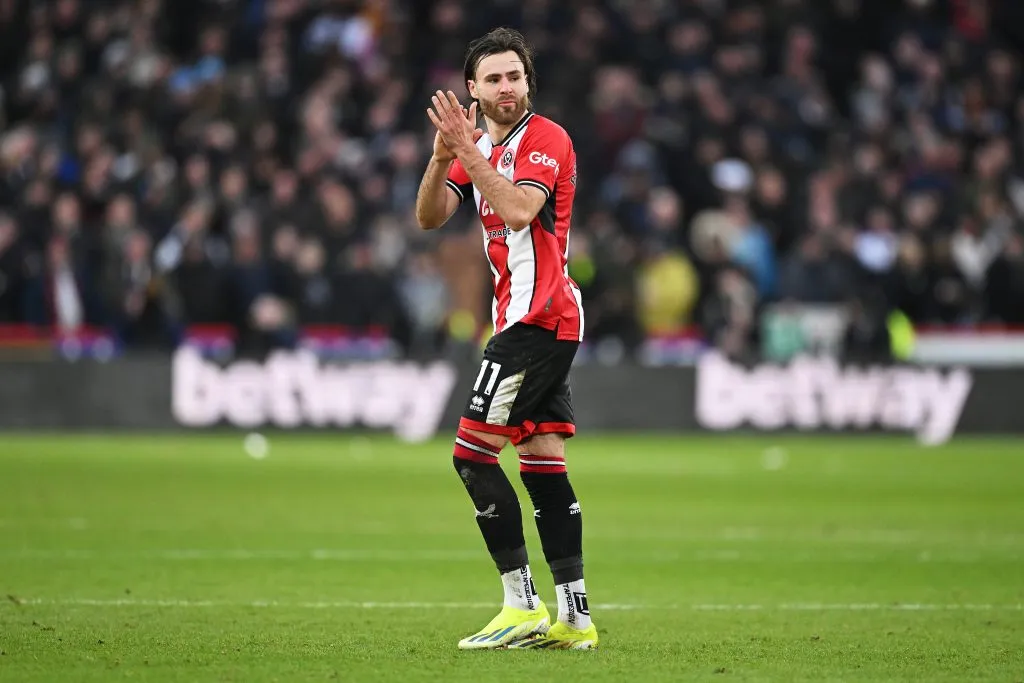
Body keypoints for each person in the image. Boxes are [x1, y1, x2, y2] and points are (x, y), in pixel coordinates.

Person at [414, 27, 597, 651]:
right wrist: (445, 154)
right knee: (544, 465)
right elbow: (430, 217)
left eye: (514, 76)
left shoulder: (545, 139)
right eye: (493, 79)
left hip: (537, 319)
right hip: (531, 320)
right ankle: (575, 619)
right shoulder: (484, 146)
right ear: (474, 89)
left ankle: (521, 605)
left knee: (471, 456)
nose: (506, 88)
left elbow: (520, 209)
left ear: (527, 82)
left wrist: (469, 153)